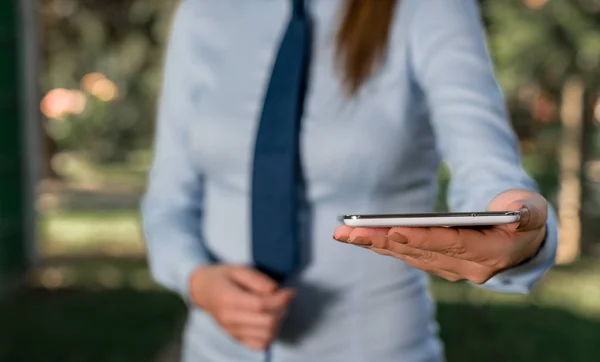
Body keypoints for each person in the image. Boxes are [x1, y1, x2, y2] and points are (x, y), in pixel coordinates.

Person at [141, 0, 558, 361]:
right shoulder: (205, 12)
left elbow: (485, 162)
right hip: (213, 353)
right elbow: (168, 200)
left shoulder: (427, 8)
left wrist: (514, 222)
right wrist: (194, 278)